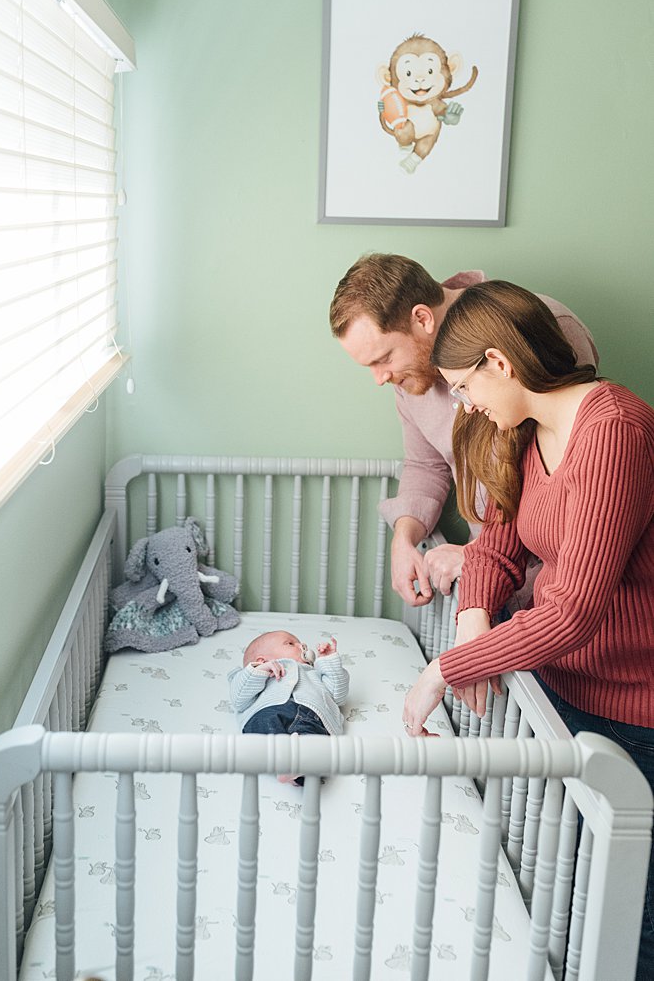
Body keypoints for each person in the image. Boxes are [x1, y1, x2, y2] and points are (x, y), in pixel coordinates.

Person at [400, 279, 654, 977]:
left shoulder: (615, 431)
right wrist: (473, 621)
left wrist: (446, 670)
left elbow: (573, 611)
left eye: (463, 385)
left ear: (498, 362)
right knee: (570, 906)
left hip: (634, 711)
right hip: (560, 698)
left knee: (633, 923)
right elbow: (493, 546)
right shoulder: (523, 432)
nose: (463, 402)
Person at [330, 253, 597, 608]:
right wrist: (404, 539)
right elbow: (426, 464)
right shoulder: (412, 377)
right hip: (490, 581)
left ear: (422, 318)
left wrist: (482, 553)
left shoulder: (536, 327)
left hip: (560, 583)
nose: (380, 378)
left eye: (384, 358)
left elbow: (564, 477)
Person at [229, 630, 349, 785]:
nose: (302, 646)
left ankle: (299, 772)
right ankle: (284, 763)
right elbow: (239, 700)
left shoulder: (314, 673)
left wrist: (329, 662)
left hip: (311, 713)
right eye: (291, 643)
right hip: (269, 711)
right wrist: (259, 670)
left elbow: (338, 696)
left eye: (302, 644)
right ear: (262, 659)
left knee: (316, 744)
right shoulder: (255, 675)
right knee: (266, 726)